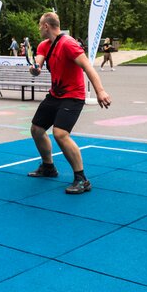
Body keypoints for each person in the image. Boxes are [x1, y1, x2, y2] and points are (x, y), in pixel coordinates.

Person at [27, 12, 111, 194]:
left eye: (40, 25)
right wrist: (35, 69)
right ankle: (48, 167)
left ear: (46, 26)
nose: (39, 28)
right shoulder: (44, 45)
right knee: (36, 129)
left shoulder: (68, 44)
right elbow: (38, 66)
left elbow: (88, 67)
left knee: (60, 133)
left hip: (73, 95)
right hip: (55, 95)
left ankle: (82, 179)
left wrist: (100, 91)